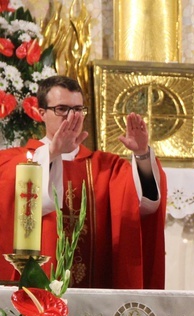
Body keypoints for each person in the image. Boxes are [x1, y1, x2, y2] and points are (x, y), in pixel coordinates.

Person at [0, 75, 167, 289]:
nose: (72, 117)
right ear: (41, 113)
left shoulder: (106, 167)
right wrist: (52, 153)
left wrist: (142, 154)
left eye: (78, 109)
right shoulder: (15, 161)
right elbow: (13, 203)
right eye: (62, 109)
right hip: (36, 289)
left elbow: (145, 207)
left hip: (94, 285)